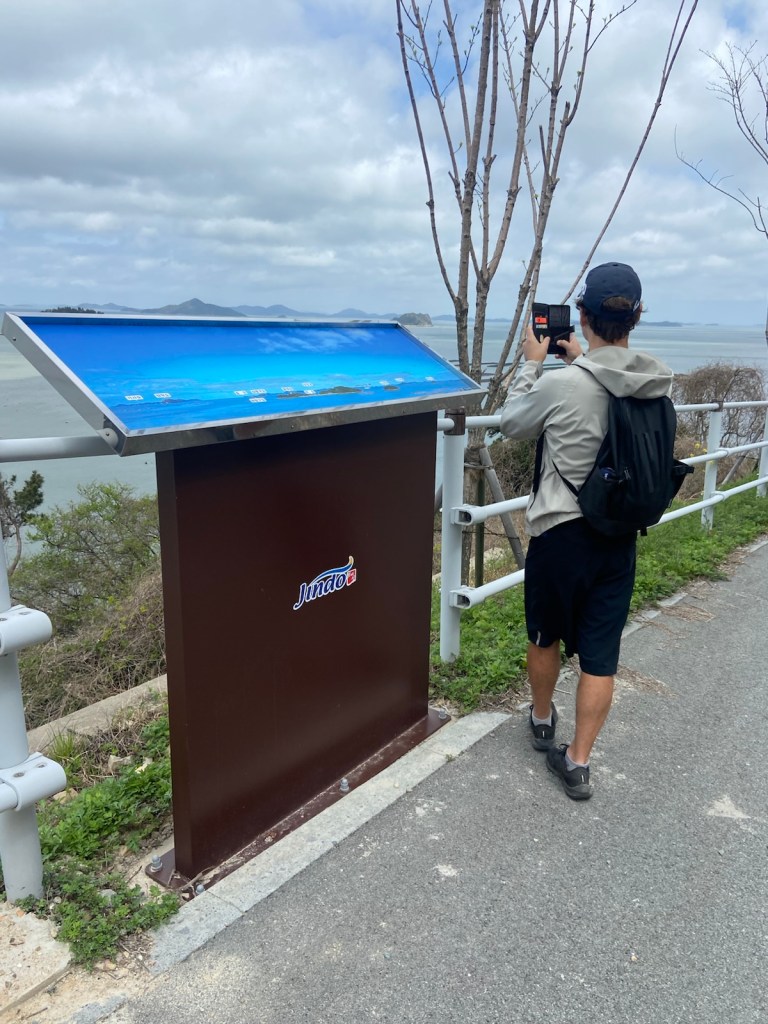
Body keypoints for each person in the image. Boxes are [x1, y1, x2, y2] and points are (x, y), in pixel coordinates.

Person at [499, 262, 673, 800]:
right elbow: (612, 393)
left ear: (582, 316)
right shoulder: (654, 384)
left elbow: (510, 424)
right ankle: (577, 763)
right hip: (619, 534)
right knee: (600, 655)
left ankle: (542, 720)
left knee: (544, 633)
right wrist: (582, 358)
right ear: (636, 317)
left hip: (560, 533)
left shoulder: (562, 385)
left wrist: (532, 365)